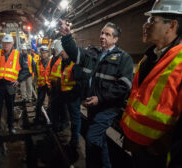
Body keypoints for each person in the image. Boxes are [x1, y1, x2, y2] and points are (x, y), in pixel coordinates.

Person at [60, 20, 134, 167]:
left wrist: (100, 98)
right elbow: (74, 52)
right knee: (99, 140)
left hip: (108, 107)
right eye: (101, 33)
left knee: (92, 138)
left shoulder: (123, 58)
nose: (102, 36)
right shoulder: (93, 53)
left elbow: (123, 86)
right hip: (93, 105)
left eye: (107, 34)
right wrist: (67, 36)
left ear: (115, 39)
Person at [119, 0, 182, 167]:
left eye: (153, 20)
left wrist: (161, 145)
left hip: (158, 155)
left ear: (172, 25)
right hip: (138, 147)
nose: (145, 25)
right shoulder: (148, 58)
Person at [0, 34, 29, 135]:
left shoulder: (18, 55)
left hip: (11, 85)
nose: (5, 45)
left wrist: (18, 80)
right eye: (4, 43)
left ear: (12, 44)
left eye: (8, 43)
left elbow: (26, 70)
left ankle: (11, 127)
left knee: (10, 107)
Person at [55, 40, 81, 155]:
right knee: (71, 118)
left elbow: (80, 82)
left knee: (75, 120)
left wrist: (73, 94)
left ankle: (75, 142)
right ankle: (72, 140)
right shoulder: (65, 62)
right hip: (67, 96)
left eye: (61, 54)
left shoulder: (75, 62)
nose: (61, 56)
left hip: (73, 97)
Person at [34, 45, 51, 124]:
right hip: (41, 85)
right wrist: (35, 83)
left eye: (45, 53)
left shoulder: (51, 62)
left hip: (49, 85)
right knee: (39, 102)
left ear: (48, 53)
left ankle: (51, 118)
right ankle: (37, 117)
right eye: (42, 53)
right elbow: (36, 74)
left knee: (51, 102)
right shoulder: (37, 63)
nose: (43, 54)